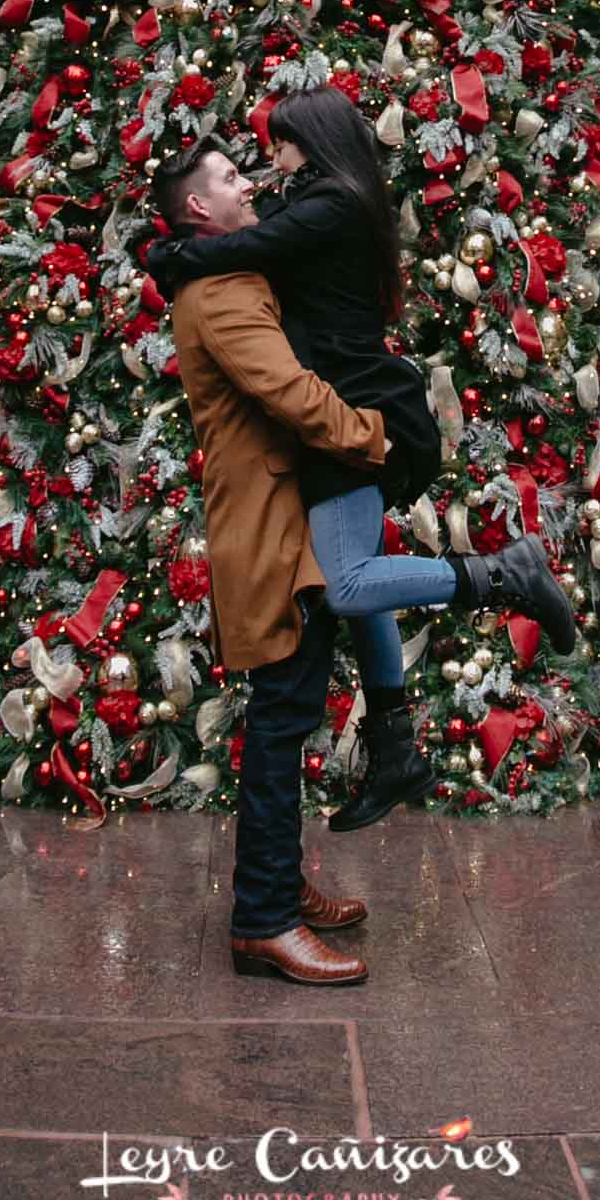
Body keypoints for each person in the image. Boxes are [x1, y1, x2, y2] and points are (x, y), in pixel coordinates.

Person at [149, 87, 577, 838]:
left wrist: (166, 253)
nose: (265, 165)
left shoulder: (332, 203)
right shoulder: (314, 197)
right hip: (343, 413)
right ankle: (395, 746)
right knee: (346, 567)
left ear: (310, 142)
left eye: (278, 144)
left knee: (345, 583)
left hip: (361, 409)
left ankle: (506, 574)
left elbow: (244, 246)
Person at [150, 132, 388, 987]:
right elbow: (288, 392)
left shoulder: (228, 274)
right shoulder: (216, 291)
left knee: (287, 712)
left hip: (283, 521)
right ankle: (263, 919)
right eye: (227, 179)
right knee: (280, 722)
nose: (246, 184)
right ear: (198, 211)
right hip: (267, 531)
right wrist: (371, 433)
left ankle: (279, 885)